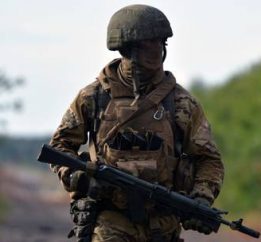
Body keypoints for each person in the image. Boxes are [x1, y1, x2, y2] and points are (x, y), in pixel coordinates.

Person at [50, 4, 224, 242]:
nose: (156, 49)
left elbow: (208, 159)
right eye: (147, 44)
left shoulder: (181, 103)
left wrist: (201, 198)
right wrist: (80, 179)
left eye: (160, 43)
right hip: (110, 222)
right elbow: (60, 148)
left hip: (164, 224)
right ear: (126, 49)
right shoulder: (93, 98)